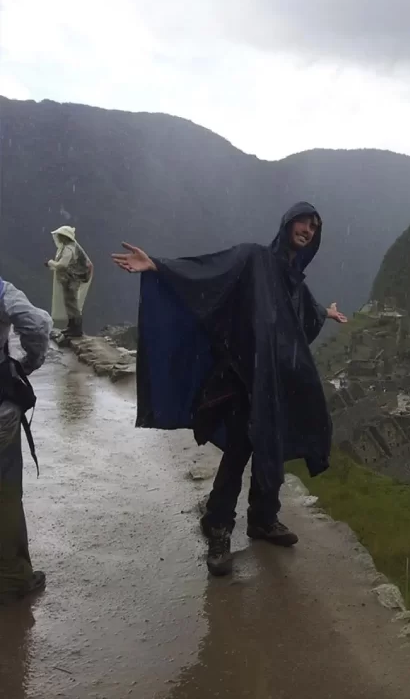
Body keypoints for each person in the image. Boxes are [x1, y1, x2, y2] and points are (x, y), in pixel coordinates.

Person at [111, 203, 347, 576]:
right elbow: (210, 272)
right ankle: (218, 525)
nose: (309, 230)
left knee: (271, 449)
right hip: (242, 378)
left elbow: (302, 313)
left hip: (275, 383)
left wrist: (325, 314)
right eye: (304, 222)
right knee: (239, 452)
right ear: (288, 223)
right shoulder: (253, 259)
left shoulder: (293, 281)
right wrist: (159, 265)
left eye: (316, 227)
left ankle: (263, 520)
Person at [0, 276, 53, 602]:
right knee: (4, 493)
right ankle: (11, 579)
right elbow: (35, 324)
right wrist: (28, 363)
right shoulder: (2, 290)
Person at [46, 225, 93, 339]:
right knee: (69, 302)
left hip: (72, 279)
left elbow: (62, 265)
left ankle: (76, 328)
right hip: (70, 278)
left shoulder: (68, 249)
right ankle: (71, 326)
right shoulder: (71, 247)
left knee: (72, 303)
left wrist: (51, 263)